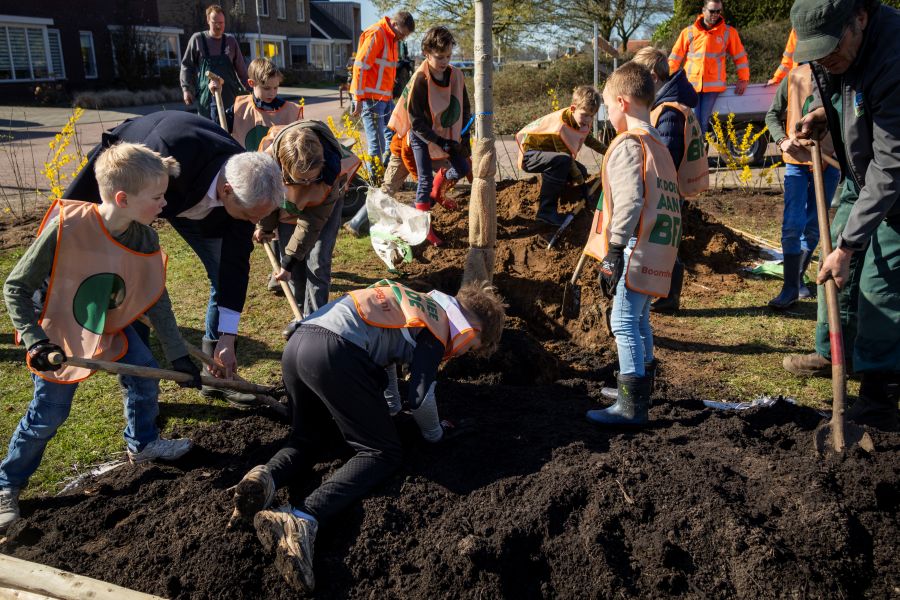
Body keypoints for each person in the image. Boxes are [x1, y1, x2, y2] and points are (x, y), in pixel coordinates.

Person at [228, 279, 506, 593]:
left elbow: (384, 357)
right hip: (336, 354)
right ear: (476, 330)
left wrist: (390, 409)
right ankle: (301, 517)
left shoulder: (415, 301)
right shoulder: (440, 325)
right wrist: (435, 435)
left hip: (300, 343)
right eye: (472, 348)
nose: (464, 352)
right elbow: (422, 397)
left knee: (308, 438)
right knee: (383, 453)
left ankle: (265, 478)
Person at [0, 143, 203, 530]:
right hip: (59, 326)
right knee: (49, 414)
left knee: (143, 374)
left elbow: (155, 298)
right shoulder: (68, 228)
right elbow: (15, 287)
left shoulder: (144, 238)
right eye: (157, 197)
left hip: (110, 317)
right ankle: (6, 484)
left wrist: (177, 355)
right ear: (123, 198)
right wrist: (35, 341)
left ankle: (142, 443)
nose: (164, 204)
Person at [64, 112, 282, 408]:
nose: (255, 224)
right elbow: (92, 200)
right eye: (250, 216)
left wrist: (228, 338)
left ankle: (215, 373)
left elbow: (234, 269)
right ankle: (140, 393)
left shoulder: (244, 185)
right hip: (134, 197)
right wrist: (70, 239)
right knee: (131, 286)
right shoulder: (162, 156)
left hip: (198, 202)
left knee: (223, 272)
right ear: (227, 191)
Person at [783, 0, 900, 430]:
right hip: (861, 170)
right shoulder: (833, 50)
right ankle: (834, 353)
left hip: (893, 178)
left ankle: (880, 393)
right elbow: (830, 83)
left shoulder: (894, 58)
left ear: (861, 19)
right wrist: (819, 114)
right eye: (815, 52)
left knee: (880, 280)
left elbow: (892, 167)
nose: (823, 58)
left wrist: (852, 246)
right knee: (830, 265)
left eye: (830, 48)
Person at [585, 62, 681, 427]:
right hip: (659, 247)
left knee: (623, 321)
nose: (607, 116)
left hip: (634, 247)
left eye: (608, 107)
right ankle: (640, 386)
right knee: (641, 319)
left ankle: (631, 406)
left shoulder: (629, 144)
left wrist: (613, 252)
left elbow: (629, 201)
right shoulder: (657, 142)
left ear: (622, 102)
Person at [256, 120, 361, 321]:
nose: (308, 183)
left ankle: (315, 319)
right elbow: (267, 198)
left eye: (312, 178)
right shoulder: (268, 165)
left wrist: (290, 258)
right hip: (287, 202)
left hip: (323, 206)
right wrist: (266, 227)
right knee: (292, 268)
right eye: (302, 179)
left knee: (318, 260)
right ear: (284, 167)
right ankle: (300, 316)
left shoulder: (331, 172)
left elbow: (312, 222)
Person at [632, 47, 705, 315]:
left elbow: (666, 157)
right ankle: (664, 295)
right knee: (666, 241)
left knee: (664, 241)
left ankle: (668, 297)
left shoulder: (669, 112)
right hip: (670, 188)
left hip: (667, 189)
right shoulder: (669, 103)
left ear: (652, 77)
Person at [764, 62, 840, 309]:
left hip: (828, 161)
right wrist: (782, 140)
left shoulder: (840, 71)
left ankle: (796, 279)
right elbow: (772, 115)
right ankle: (789, 288)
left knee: (814, 225)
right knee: (792, 225)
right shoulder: (795, 76)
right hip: (796, 159)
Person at [387, 26, 472, 246]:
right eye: (439, 57)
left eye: (448, 56)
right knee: (423, 181)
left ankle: (438, 188)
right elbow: (416, 122)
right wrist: (440, 141)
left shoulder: (456, 76)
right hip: (421, 135)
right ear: (427, 53)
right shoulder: (420, 80)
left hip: (448, 132)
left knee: (462, 167)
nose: (445, 61)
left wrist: (463, 140)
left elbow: (465, 109)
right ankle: (424, 229)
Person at [515, 85, 607, 227]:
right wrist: (582, 185)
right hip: (529, 155)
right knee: (564, 163)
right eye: (585, 114)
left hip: (550, 156)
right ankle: (546, 212)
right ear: (573, 109)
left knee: (581, 171)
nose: (588, 120)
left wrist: (609, 151)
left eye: (591, 116)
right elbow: (567, 158)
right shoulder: (560, 126)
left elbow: (589, 140)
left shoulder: (579, 122)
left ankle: (562, 197)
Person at [668, 0, 750, 136]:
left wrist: (744, 79)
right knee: (692, 121)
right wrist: (670, 80)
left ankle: (701, 153)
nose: (716, 14)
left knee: (702, 121)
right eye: (712, 11)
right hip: (690, 85)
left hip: (712, 88)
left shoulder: (728, 32)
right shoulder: (688, 32)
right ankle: (694, 152)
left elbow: (740, 57)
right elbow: (674, 58)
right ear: (703, 10)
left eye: (719, 11)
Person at [349, 11, 415, 166]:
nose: (403, 38)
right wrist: (358, 98)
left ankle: (385, 174)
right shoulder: (377, 34)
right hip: (371, 100)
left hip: (385, 99)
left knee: (395, 136)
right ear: (395, 24)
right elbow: (360, 66)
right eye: (402, 34)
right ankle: (375, 184)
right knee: (376, 144)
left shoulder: (392, 38)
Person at [209, 57, 303, 150]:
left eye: (275, 88)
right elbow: (218, 125)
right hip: (245, 163)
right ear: (251, 83)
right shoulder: (241, 107)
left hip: (274, 165)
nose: (272, 93)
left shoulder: (290, 111)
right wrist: (215, 96)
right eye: (266, 88)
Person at [180, 4, 249, 121]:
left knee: (231, 131)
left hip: (229, 97)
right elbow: (187, 66)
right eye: (215, 22)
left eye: (222, 23)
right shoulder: (197, 39)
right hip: (206, 98)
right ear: (208, 20)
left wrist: (251, 89)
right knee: (207, 131)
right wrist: (186, 89)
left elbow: (242, 70)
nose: (219, 26)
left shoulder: (230, 41)